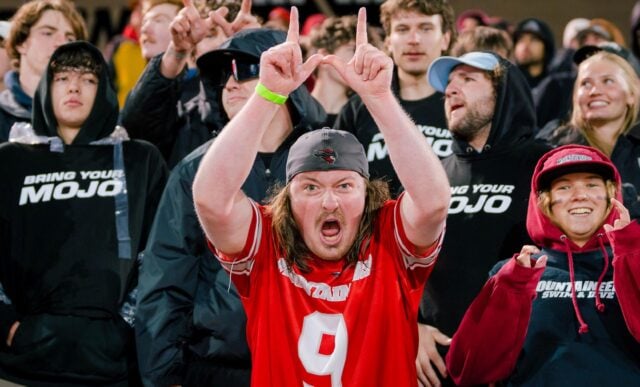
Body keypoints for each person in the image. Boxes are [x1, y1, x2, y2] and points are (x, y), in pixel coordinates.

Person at [193, 7, 450, 386]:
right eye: (310, 187)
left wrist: (378, 98)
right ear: (286, 199)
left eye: (345, 186)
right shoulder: (268, 242)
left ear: (368, 194)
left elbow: (433, 202)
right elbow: (210, 199)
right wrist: (267, 95)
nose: (329, 202)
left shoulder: (389, 239)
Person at [134, 23, 326, 386]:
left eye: (247, 70)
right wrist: (163, 376)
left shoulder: (331, 161)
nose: (231, 84)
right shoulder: (197, 169)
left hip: (313, 365)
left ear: (288, 80)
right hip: (217, 366)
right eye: (224, 76)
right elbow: (166, 275)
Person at [0, 41, 167, 386]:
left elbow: (161, 253)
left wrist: (126, 326)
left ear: (105, 89)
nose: (74, 86)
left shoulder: (141, 160)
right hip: (19, 363)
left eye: (89, 79)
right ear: (47, 87)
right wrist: (7, 325)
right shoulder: (9, 160)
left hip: (113, 364)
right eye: (62, 77)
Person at [447, 144, 640, 385]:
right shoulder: (514, 273)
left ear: (612, 197)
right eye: (564, 187)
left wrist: (631, 254)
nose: (580, 195)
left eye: (592, 184)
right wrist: (514, 286)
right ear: (545, 202)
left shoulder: (633, 259)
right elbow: (468, 371)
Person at [416, 51, 550, 386]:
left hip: (522, 365)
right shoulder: (431, 174)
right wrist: (411, 326)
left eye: (467, 79)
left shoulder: (545, 164)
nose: (450, 90)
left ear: (504, 93)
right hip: (438, 366)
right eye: (448, 84)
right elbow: (400, 264)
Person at [336, 0, 456, 196]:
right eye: (402, 29)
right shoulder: (360, 107)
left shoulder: (461, 106)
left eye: (426, 29)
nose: (414, 39)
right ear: (389, 41)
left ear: (445, 39)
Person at [122, 0, 258, 168]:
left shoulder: (274, 100)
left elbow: (298, 115)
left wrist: (260, 47)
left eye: (235, 35)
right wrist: (177, 51)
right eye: (211, 34)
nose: (224, 42)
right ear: (194, 52)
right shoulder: (179, 110)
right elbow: (136, 127)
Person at [537, 50, 640, 219]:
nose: (594, 91)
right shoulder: (549, 148)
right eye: (585, 83)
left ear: (631, 94)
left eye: (608, 81)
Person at [0, 0, 86, 142]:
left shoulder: (96, 118)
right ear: (21, 43)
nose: (61, 43)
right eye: (48, 33)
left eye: (70, 38)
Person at [309, 15, 357, 126]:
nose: (359, 59)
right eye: (352, 50)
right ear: (324, 56)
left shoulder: (361, 114)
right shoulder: (297, 111)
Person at [512, 18, 556, 89]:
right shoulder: (507, 85)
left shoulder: (557, 86)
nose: (525, 45)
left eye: (534, 39)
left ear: (546, 48)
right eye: (520, 39)